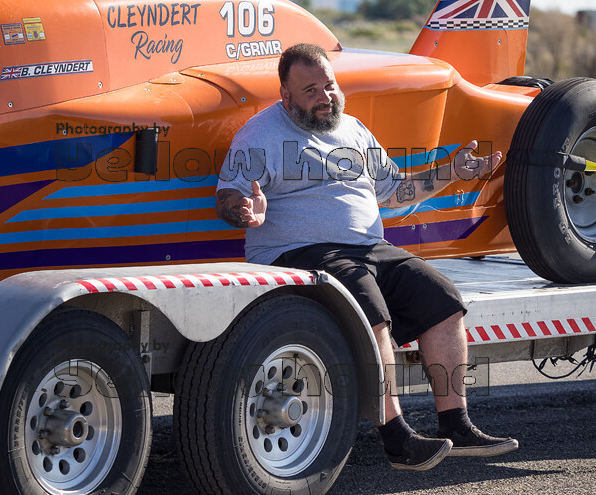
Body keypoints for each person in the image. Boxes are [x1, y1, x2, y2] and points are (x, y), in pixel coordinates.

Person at [215, 43, 518, 471]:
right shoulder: (259, 135)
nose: (325, 97)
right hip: (300, 252)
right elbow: (227, 194)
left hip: (369, 247)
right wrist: (244, 210)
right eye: (311, 90)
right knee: (372, 310)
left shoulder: (354, 130)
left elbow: (395, 192)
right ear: (286, 96)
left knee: (442, 298)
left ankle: (457, 424)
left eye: (330, 86)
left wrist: (453, 171)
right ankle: (396, 438)